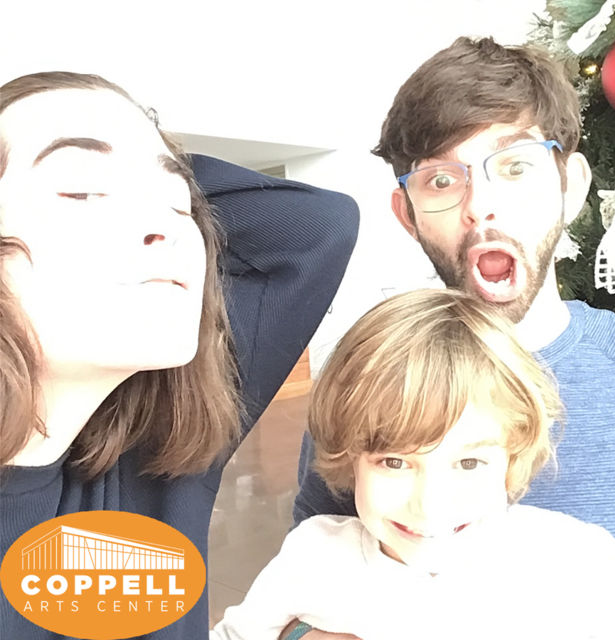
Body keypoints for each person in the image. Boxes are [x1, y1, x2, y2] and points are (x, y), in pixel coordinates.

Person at [0, 71, 359, 639]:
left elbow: (315, 227)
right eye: (82, 190)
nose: (164, 226)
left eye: (177, 202)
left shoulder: (156, 452)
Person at [294, 37, 615, 560]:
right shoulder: (367, 378)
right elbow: (313, 569)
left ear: (570, 187)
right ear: (408, 215)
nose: (481, 205)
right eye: (440, 180)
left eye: (516, 166)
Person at [213, 289, 615, 640]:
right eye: (394, 462)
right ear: (349, 459)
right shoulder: (314, 557)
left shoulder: (573, 560)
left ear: (512, 457)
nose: (430, 504)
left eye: (468, 462)